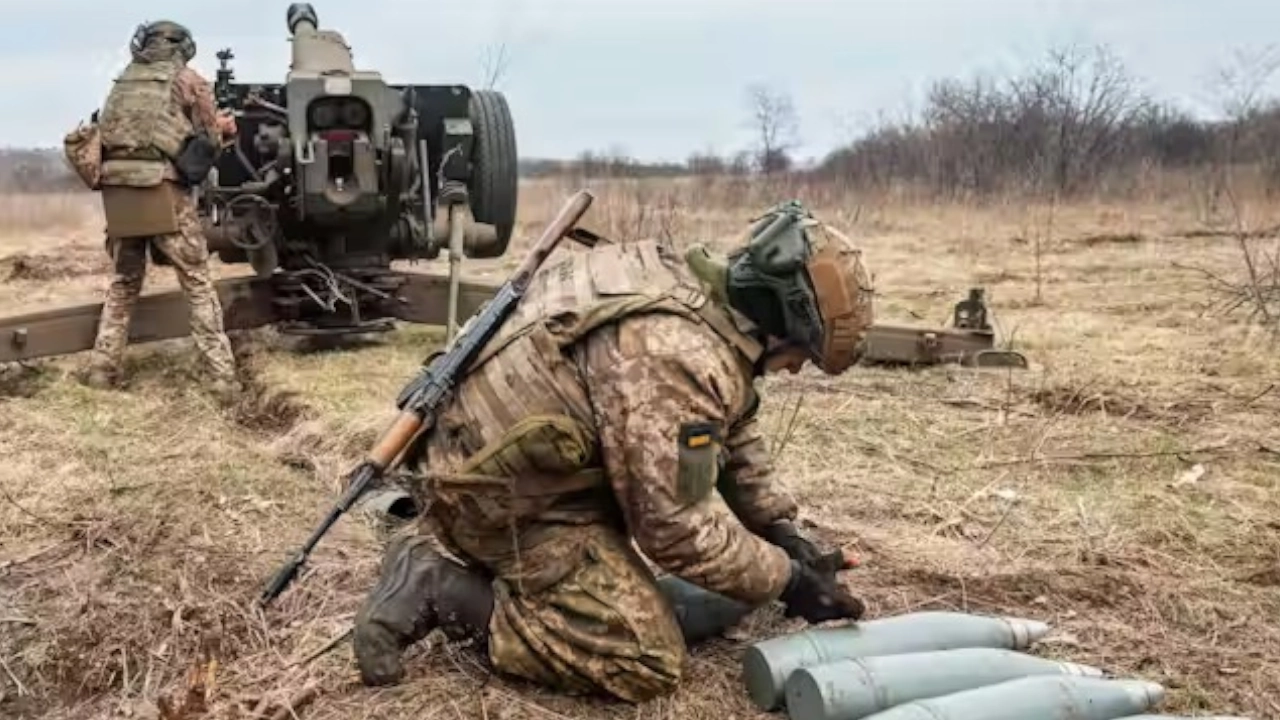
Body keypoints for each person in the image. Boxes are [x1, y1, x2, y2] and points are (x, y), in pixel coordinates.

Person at [352, 200, 876, 703]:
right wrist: (788, 580)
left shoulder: (687, 288)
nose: (794, 369)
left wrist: (779, 531)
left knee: (704, 586)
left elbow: (728, 426)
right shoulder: (675, 355)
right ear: (780, 320)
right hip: (498, 502)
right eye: (801, 356)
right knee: (645, 659)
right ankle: (440, 586)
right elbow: (674, 530)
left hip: (504, 463)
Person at [80, 20, 240, 399]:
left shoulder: (123, 81)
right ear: (182, 46)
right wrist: (224, 127)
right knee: (197, 282)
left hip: (120, 194)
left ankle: (103, 370)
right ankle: (222, 379)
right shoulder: (188, 80)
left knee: (123, 284)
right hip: (162, 190)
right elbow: (209, 137)